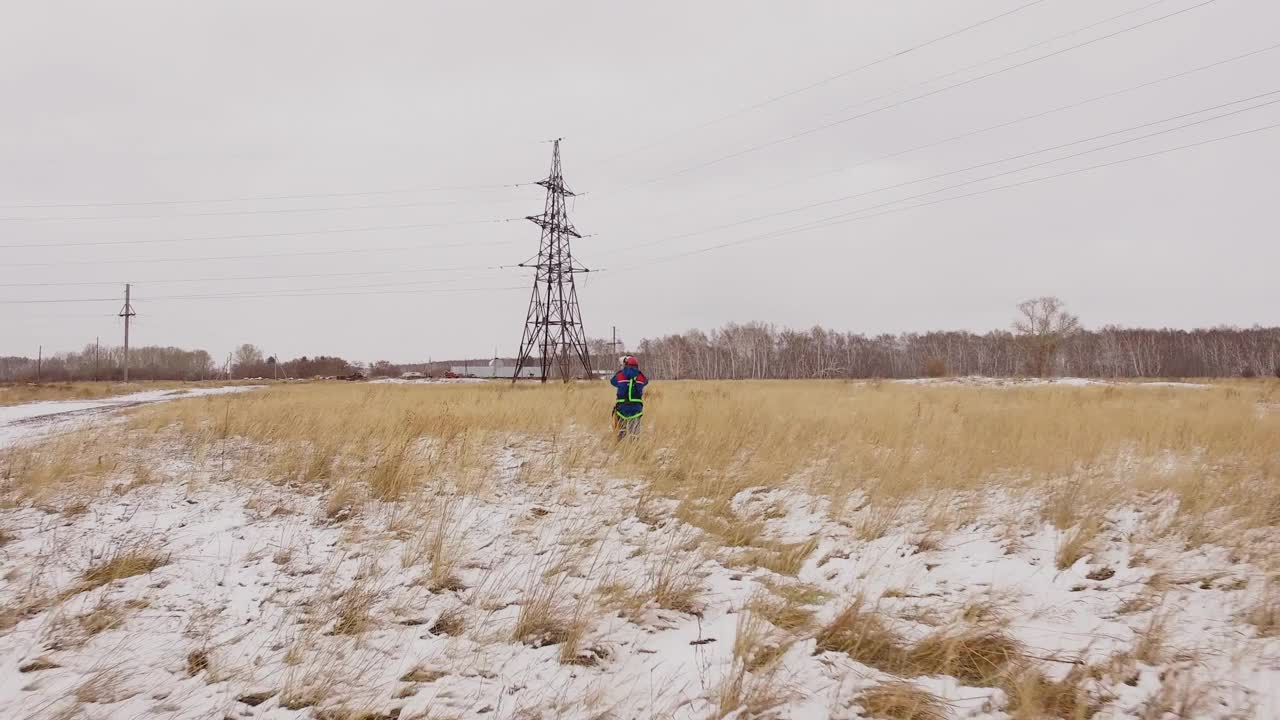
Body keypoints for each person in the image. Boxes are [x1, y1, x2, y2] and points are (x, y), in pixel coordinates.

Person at [610, 355, 648, 439]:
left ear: (625, 364)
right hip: (636, 408)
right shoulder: (641, 377)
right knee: (634, 433)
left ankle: (621, 447)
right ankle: (634, 448)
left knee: (621, 431)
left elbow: (612, 382)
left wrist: (622, 370)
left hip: (622, 407)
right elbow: (646, 382)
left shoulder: (620, 375)